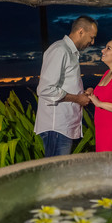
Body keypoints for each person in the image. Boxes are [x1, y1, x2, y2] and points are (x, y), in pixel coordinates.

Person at [34, 16, 98, 157]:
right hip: (56, 127)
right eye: (91, 37)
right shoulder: (60, 50)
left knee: (58, 173)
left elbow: (66, 85)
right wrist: (77, 99)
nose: (92, 42)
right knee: (55, 175)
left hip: (63, 127)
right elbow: (45, 89)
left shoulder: (70, 52)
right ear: (81, 31)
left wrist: (82, 94)